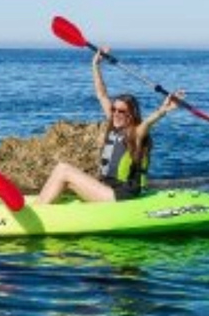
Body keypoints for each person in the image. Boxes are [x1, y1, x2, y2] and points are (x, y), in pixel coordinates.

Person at [35, 48, 184, 205]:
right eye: (114, 109)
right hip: (106, 188)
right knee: (65, 180)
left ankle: (38, 211)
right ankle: (42, 204)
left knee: (63, 169)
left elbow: (149, 122)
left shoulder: (136, 133)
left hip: (121, 195)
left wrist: (164, 109)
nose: (116, 113)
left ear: (131, 115)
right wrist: (95, 65)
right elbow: (102, 94)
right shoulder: (114, 124)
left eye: (121, 111)